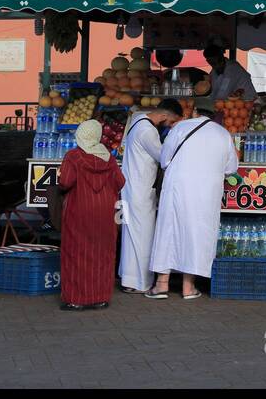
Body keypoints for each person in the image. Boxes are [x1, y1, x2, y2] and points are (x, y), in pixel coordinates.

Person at [146, 109, 240, 299]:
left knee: (168, 231)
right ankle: (188, 288)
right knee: (197, 235)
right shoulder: (223, 134)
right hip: (206, 193)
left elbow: (164, 160)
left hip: (178, 187)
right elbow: (231, 168)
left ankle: (161, 285)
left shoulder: (180, 127)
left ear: (195, 113)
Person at [57, 119, 126, 311]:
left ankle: (76, 299)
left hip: (79, 210)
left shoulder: (73, 157)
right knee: (103, 253)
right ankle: (100, 297)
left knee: (76, 252)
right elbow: (121, 182)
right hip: (105, 212)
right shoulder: (109, 158)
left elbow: (66, 182)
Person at [117, 99, 182, 294]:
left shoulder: (138, 120)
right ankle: (139, 281)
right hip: (140, 189)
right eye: (171, 122)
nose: (170, 126)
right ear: (164, 116)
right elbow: (164, 157)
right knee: (143, 236)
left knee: (132, 235)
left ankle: (130, 279)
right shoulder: (148, 131)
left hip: (133, 187)